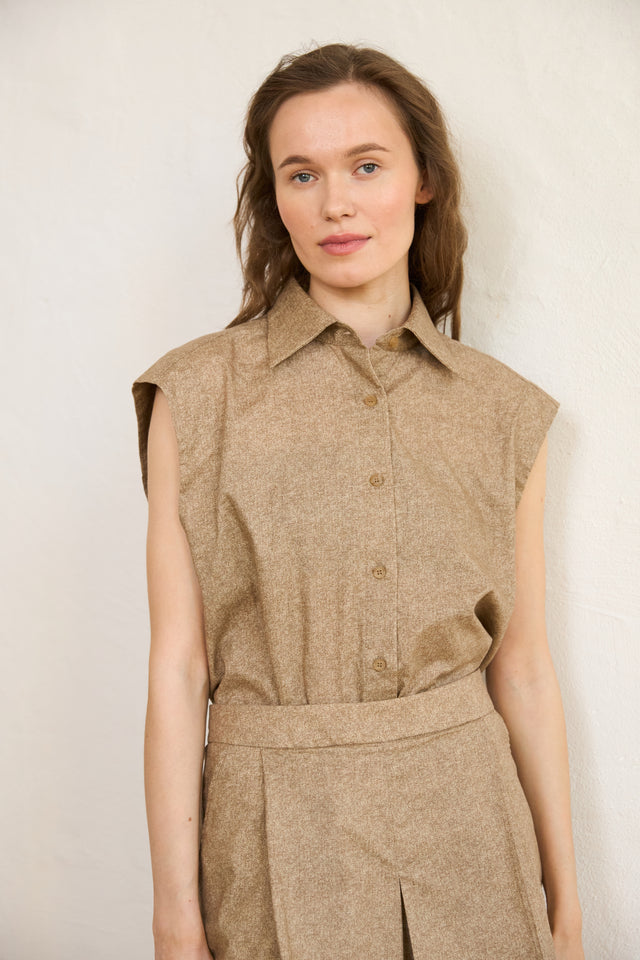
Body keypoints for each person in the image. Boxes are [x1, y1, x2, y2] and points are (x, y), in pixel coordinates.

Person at [132, 42, 584, 960]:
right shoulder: (197, 394)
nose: (335, 202)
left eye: (366, 166)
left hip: (474, 829)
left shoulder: (504, 410)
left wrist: (566, 902)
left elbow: (525, 666)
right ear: (274, 198)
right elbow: (179, 668)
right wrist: (175, 913)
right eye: (302, 174)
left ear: (423, 180)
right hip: (274, 830)